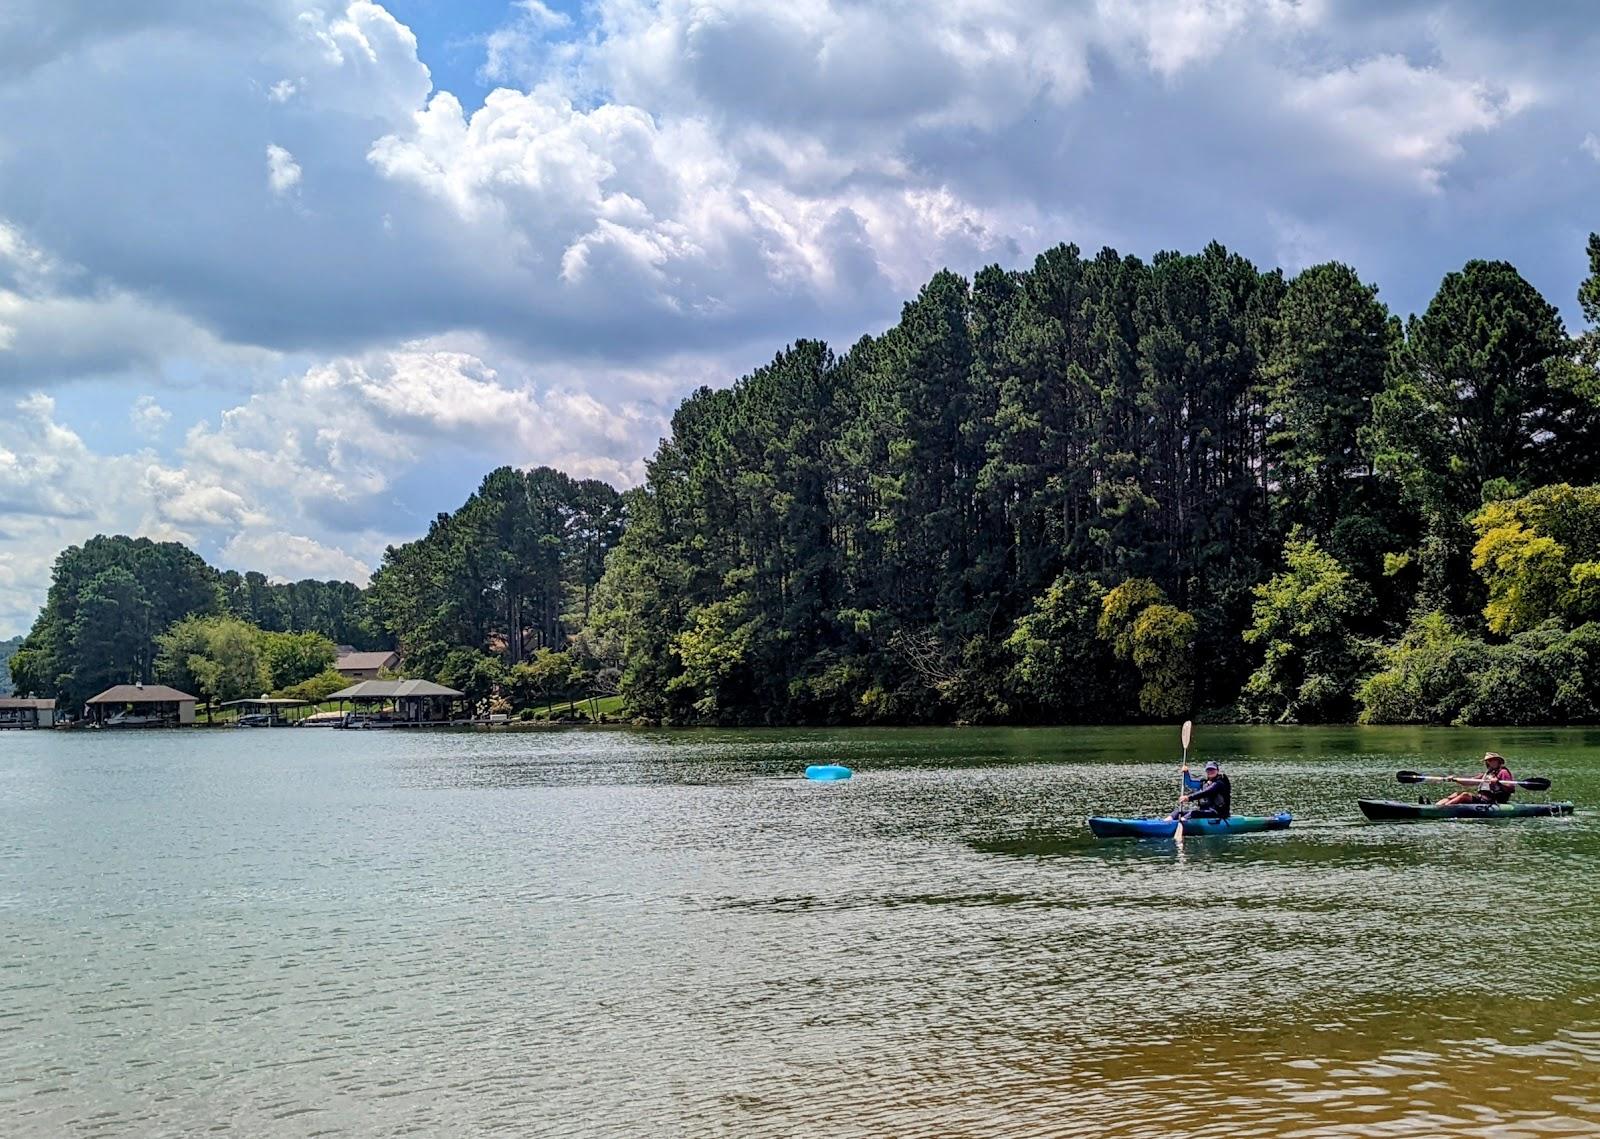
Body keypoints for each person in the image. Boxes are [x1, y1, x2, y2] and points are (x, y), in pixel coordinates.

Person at [1436, 752, 1515, 807]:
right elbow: (1470, 782)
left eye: (1491, 760)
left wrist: (1497, 783)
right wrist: (1455, 779)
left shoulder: (1503, 772)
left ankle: (1443, 808)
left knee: (1465, 795)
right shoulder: (1487, 774)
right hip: (1482, 799)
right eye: (1488, 761)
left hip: (1493, 800)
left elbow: (1510, 788)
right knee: (1456, 794)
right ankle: (1436, 806)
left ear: (1498, 761)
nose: (1489, 763)